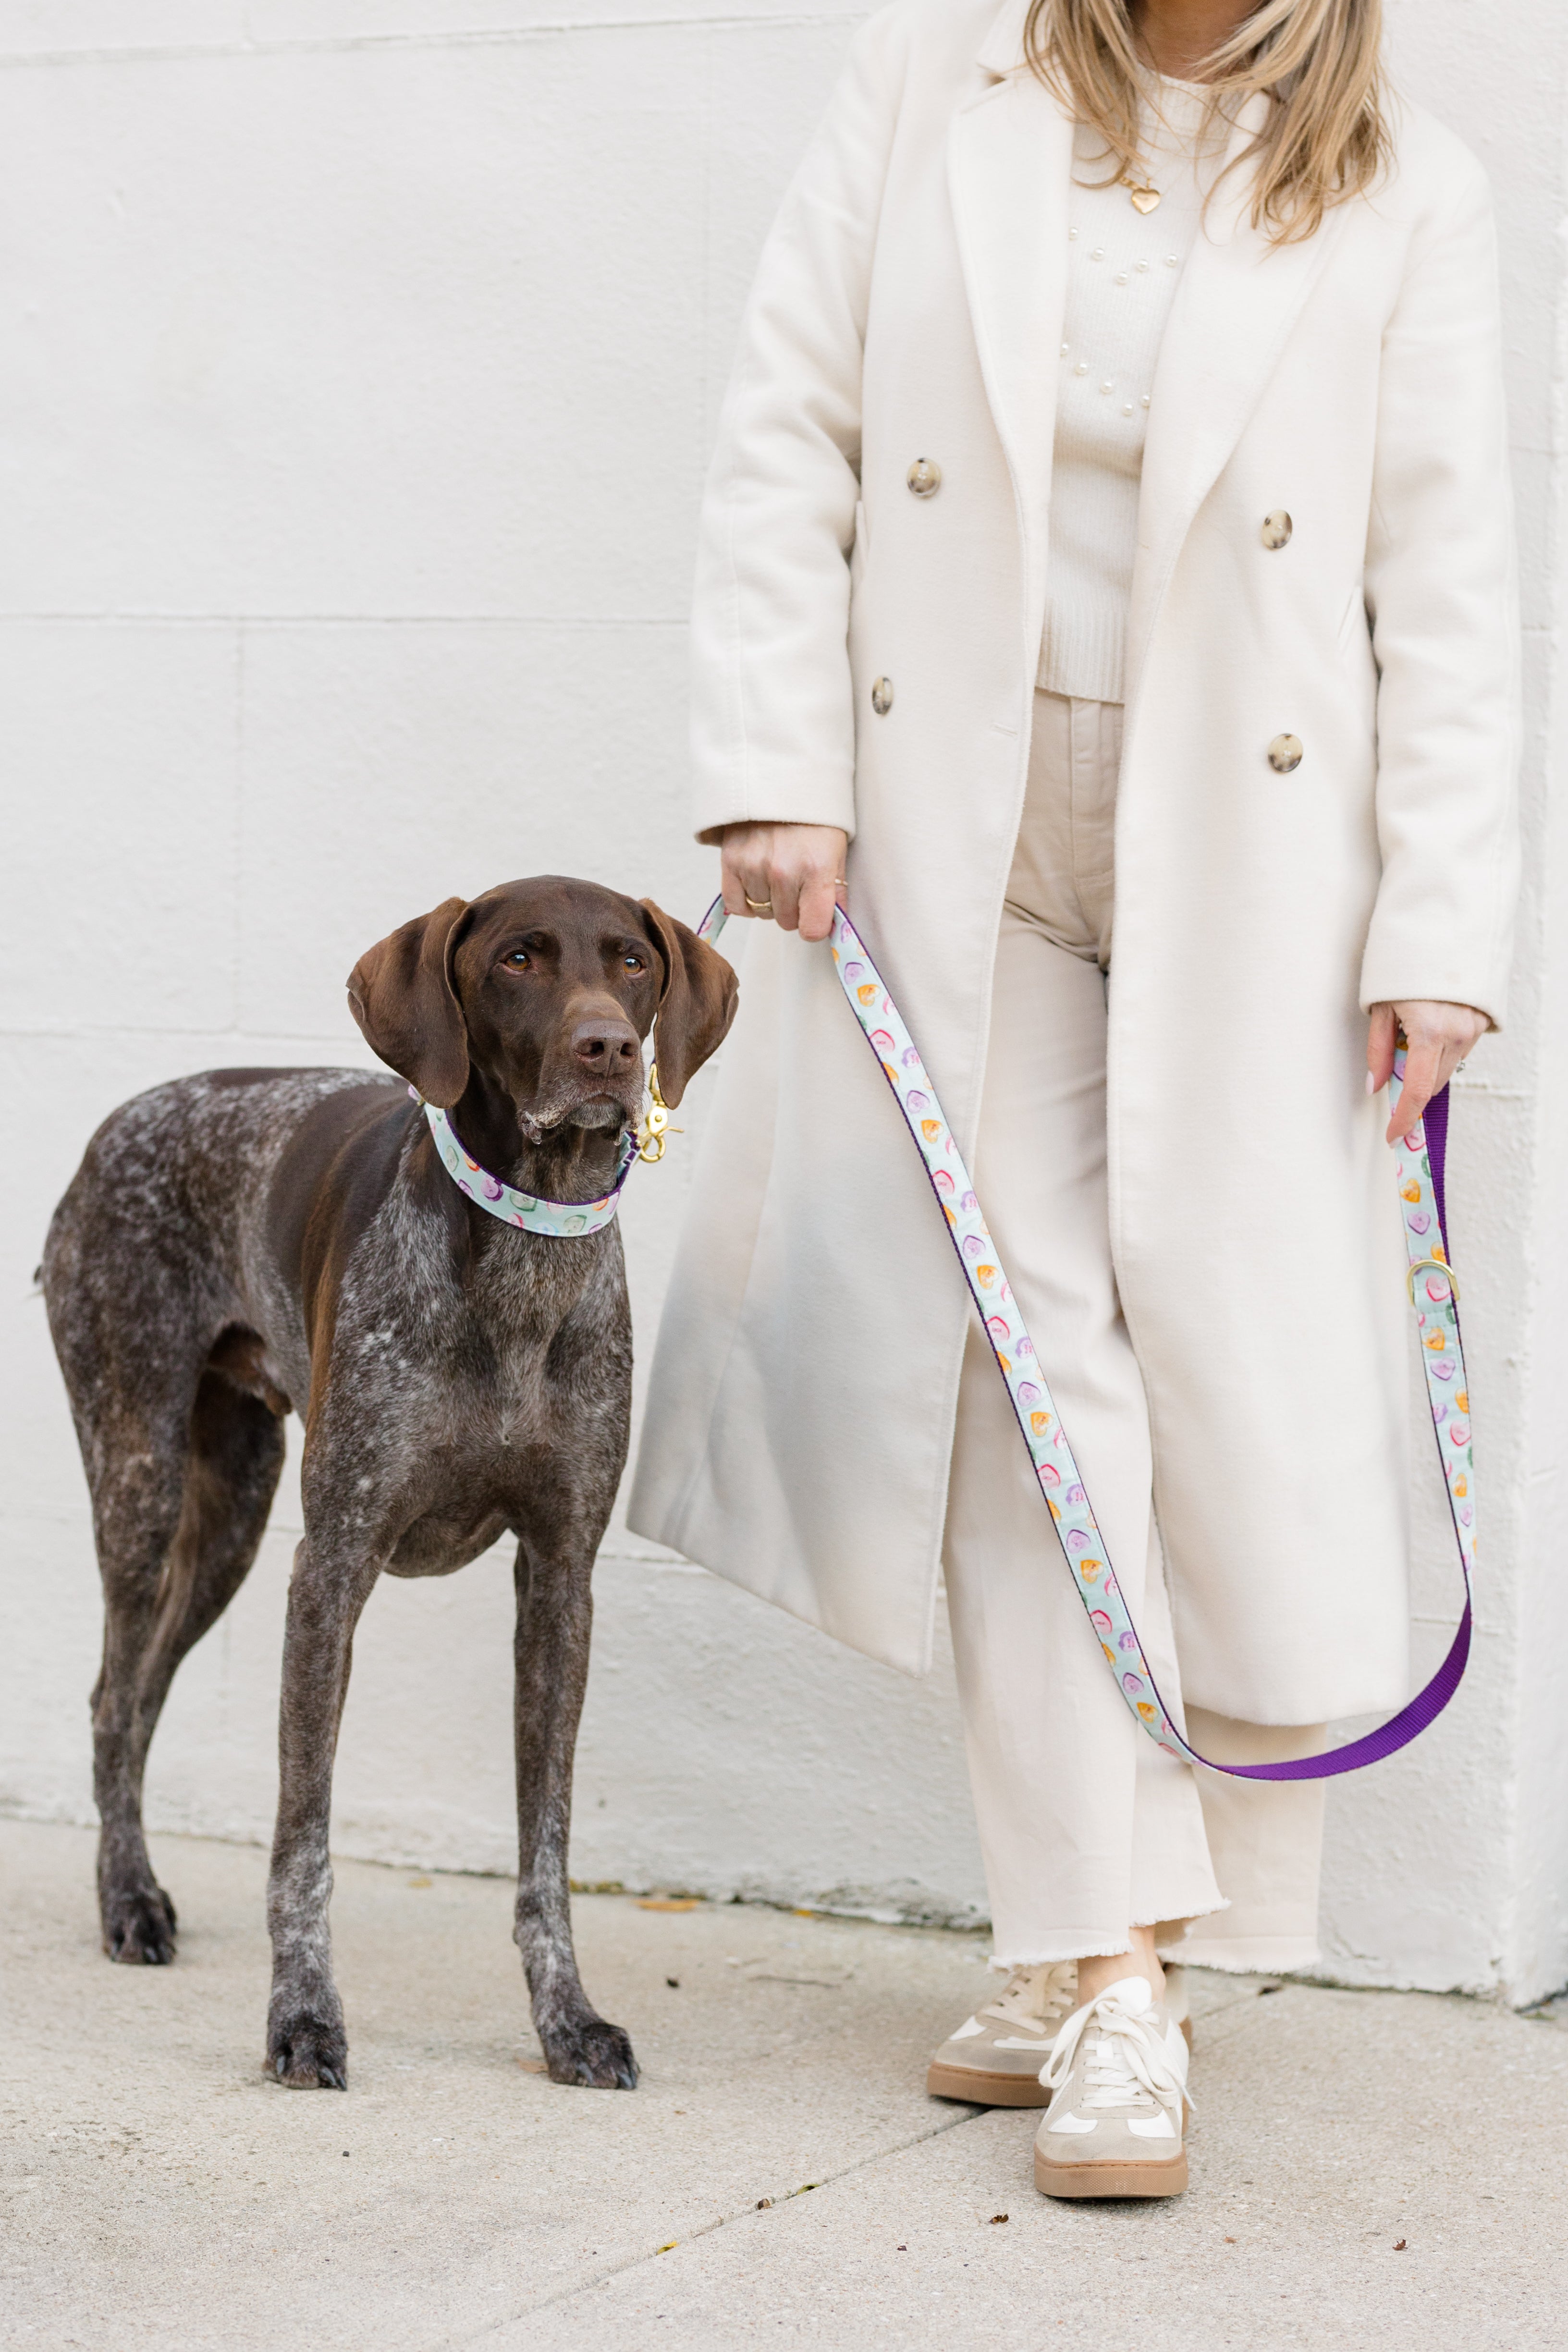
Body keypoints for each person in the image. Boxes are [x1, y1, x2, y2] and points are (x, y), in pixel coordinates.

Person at [629, 0, 1518, 2197]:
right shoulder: (937, 82)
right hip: (960, 828)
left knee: (1210, 1378)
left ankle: (1083, 1946)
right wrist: (777, 764)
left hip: (1259, 859)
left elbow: (1451, 587)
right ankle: (1115, 1973)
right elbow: (790, 429)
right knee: (1028, 1379)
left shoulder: (1412, 184)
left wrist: (1441, 931)